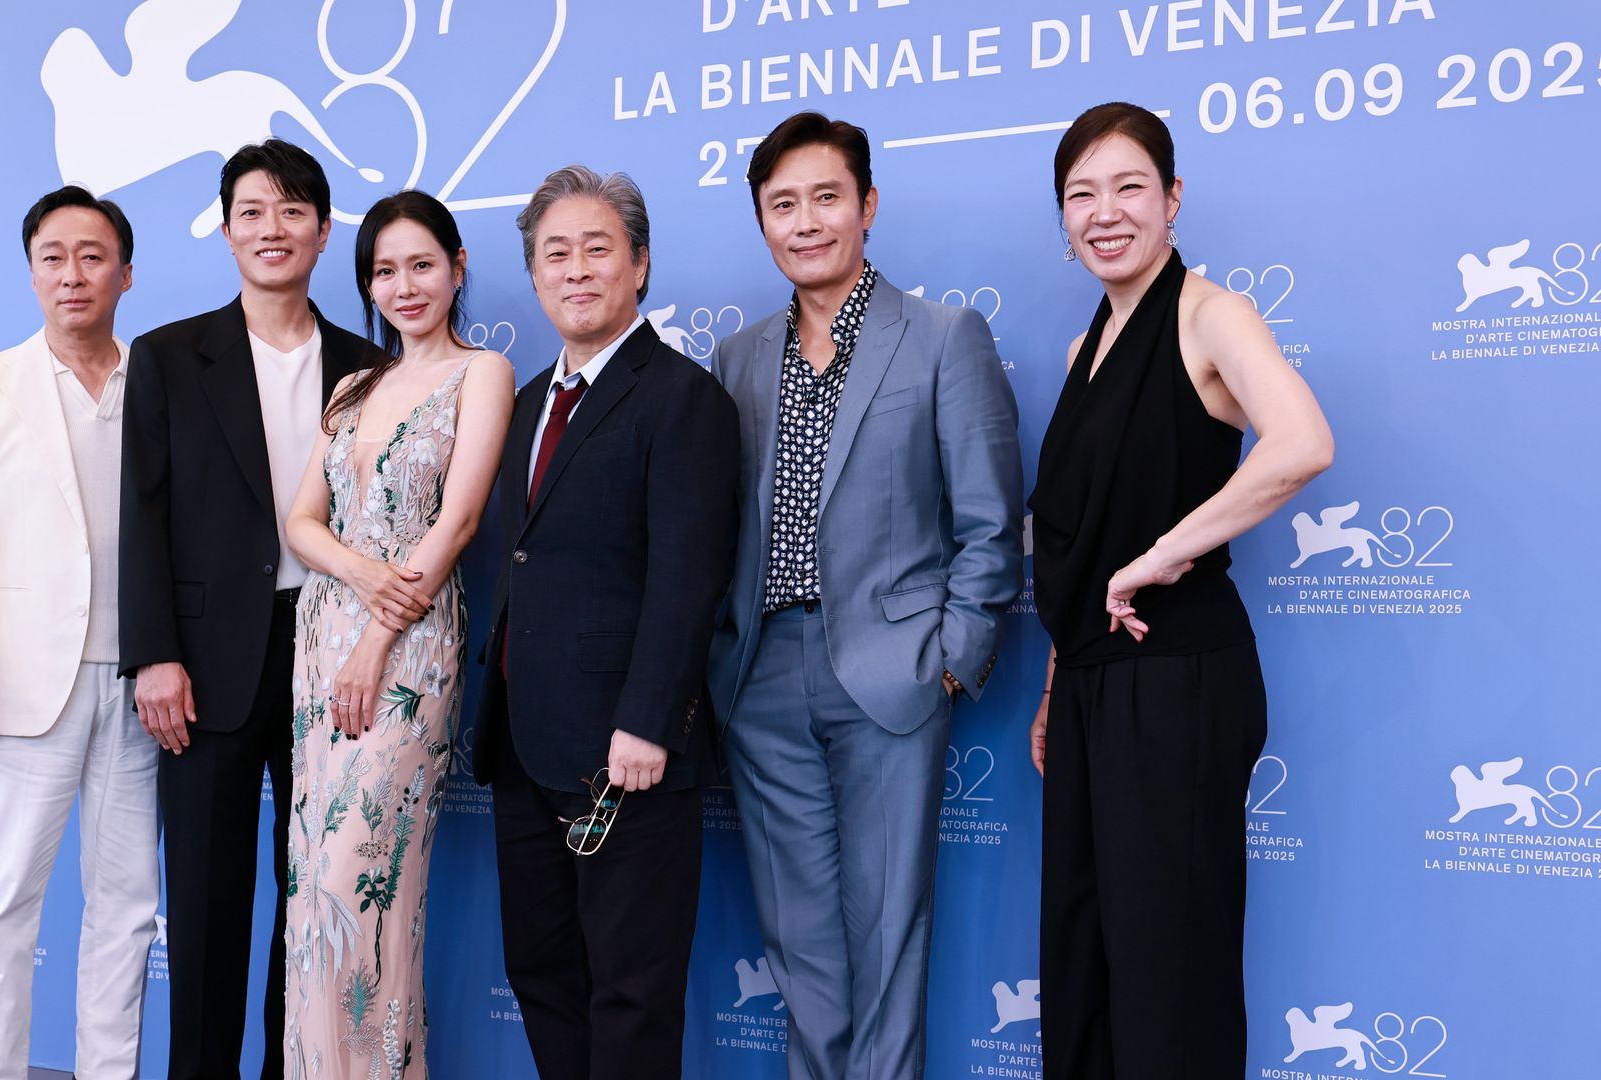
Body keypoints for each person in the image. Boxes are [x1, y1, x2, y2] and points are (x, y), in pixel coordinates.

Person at [706, 111, 1024, 1080]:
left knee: (887, 938)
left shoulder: (940, 338)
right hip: (762, 679)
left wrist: (951, 662)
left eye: (825, 199)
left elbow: (990, 520)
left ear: (868, 206)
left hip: (890, 678)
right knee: (800, 945)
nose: (806, 222)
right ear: (762, 221)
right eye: (782, 205)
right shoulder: (738, 360)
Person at [1029, 102, 1335, 1079]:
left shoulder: (1211, 313)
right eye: (1082, 194)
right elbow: (1080, 545)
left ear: (1172, 198)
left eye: (1129, 187)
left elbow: (1303, 443)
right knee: (1085, 966)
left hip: (1176, 684)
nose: (1105, 212)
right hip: (1088, 685)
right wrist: (1053, 685)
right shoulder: (1086, 350)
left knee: (1169, 974)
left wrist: (1168, 551)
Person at [119, 138, 384, 1079]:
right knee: (205, 903)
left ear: (321, 230)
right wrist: (153, 654)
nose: (272, 230)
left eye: (293, 212)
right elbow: (140, 518)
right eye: (252, 213)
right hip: (202, 660)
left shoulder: (368, 364)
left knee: (316, 899)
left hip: (333, 655)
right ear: (227, 229)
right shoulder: (166, 355)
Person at [471, 165, 739, 1080]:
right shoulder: (520, 405)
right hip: (522, 743)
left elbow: (687, 576)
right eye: (555, 253)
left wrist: (648, 720)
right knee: (544, 973)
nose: (575, 270)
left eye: (598, 249)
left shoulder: (682, 397)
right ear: (535, 274)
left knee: (631, 990)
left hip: (627, 752)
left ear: (640, 264)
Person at [0, 185, 156, 1080]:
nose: (73, 274)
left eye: (92, 257)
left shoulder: (158, 382)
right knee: (1, 906)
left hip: (138, 687)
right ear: (30, 274)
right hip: (20, 689)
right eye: (53, 258)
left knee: (128, 906)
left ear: (126, 274)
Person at [279, 191, 513, 1077]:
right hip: (324, 639)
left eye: (422, 265)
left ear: (456, 267)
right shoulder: (353, 385)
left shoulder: (481, 372)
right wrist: (357, 578)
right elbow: (301, 523)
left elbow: (453, 528)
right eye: (384, 271)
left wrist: (377, 638)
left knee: (361, 888)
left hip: (406, 652)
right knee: (312, 892)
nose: (405, 286)